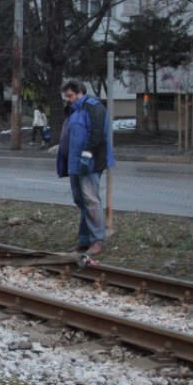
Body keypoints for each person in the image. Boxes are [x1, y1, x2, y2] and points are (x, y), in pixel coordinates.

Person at [57, 80, 115, 257]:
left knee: (91, 200)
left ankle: (98, 240)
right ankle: (84, 240)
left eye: (70, 95)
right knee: (81, 201)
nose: (67, 99)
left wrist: (88, 153)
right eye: (66, 96)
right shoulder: (74, 110)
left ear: (79, 93)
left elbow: (97, 133)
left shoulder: (93, 107)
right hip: (75, 163)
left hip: (89, 162)